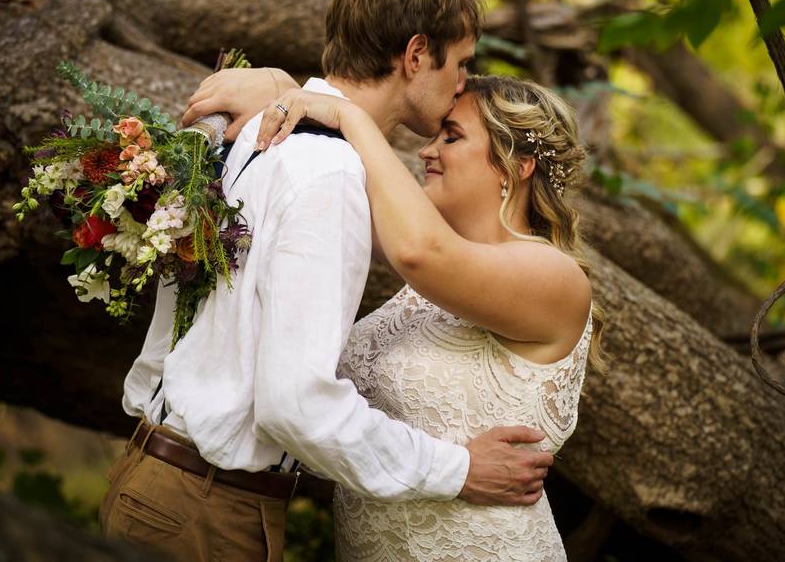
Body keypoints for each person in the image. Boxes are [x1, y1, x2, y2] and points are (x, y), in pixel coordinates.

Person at [98, 0, 553, 562]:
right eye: (461, 64)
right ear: (416, 54)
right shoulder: (330, 174)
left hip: (158, 479)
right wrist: (458, 470)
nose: (462, 84)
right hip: (207, 511)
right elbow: (297, 406)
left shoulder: (248, 134)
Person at [226, 72, 607, 561]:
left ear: (518, 165)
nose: (427, 151)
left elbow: (420, 249)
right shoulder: (427, 287)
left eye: (451, 136)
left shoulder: (555, 279)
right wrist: (276, 86)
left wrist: (348, 115)